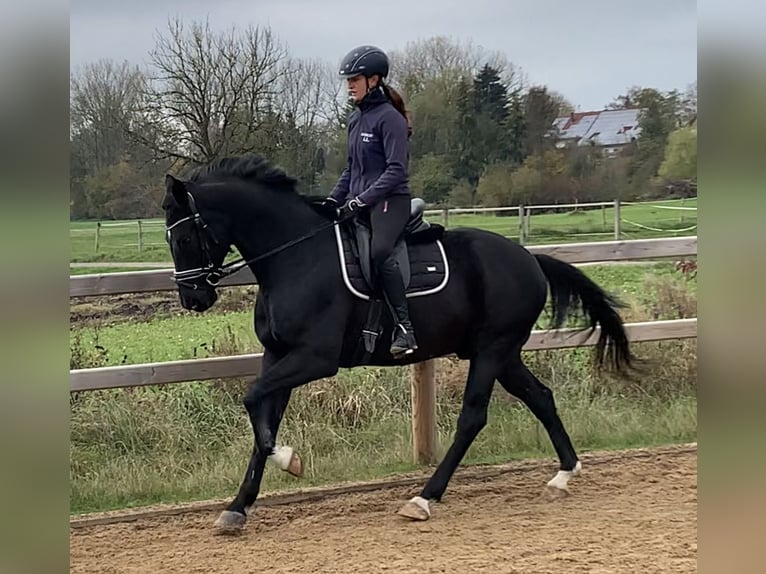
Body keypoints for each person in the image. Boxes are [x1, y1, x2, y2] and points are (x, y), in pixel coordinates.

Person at [325, 45, 418, 358]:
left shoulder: (389, 119)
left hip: (391, 200)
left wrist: (361, 200)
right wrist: (332, 200)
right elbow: (352, 169)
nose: (349, 85)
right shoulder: (356, 120)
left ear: (374, 80)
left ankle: (405, 328)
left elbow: (396, 170)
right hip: (362, 200)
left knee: (379, 252)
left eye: (355, 79)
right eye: (348, 80)